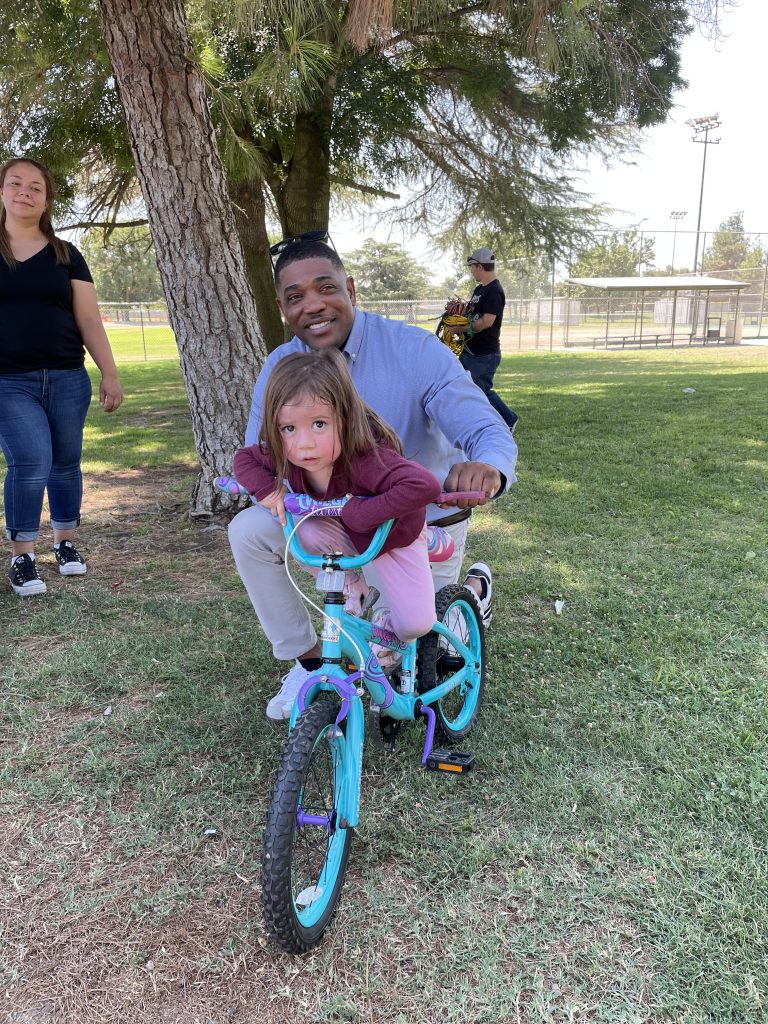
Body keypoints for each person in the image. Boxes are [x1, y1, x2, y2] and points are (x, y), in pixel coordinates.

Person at [228, 235, 517, 720]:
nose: (313, 305)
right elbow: (264, 452)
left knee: (422, 641)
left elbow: (484, 426)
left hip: (412, 527)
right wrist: (268, 487)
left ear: (352, 289)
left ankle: (470, 600)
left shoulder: (415, 350)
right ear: (281, 307)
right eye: (295, 297)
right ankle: (308, 660)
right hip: (335, 521)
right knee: (248, 531)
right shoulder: (281, 366)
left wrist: (487, 463)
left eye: (326, 288)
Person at [233, 348, 443, 667]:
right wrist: (267, 491)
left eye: (319, 424)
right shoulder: (287, 454)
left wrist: (359, 512)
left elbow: (424, 485)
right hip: (342, 534)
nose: (304, 444)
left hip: (393, 536)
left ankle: (392, 614)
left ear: (345, 419)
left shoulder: (368, 459)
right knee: (301, 528)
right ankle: (351, 583)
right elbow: (244, 458)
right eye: (289, 428)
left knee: (415, 624)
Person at [0, 157, 124, 596]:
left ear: (46, 199)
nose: (25, 192)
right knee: (31, 461)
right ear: (2, 192)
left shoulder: (66, 255)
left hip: (68, 377)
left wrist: (109, 372)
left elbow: (89, 319)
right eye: (15, 183)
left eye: (36, 187)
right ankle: (23, 556)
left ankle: (66, 545)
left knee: (66, 462)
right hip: (8, 381)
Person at [454, 247, 518, 433]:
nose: (471, 270)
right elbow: (473, 315)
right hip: (470, 349)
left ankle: (509, 418)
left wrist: (461, 328)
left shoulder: (494, 291)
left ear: (480, 266)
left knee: (481, 390)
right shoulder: (479, 289)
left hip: (484, 354)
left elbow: (487, 322)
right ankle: (474, 420)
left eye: (472, 267)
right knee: (463, 386)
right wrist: (458, 314)